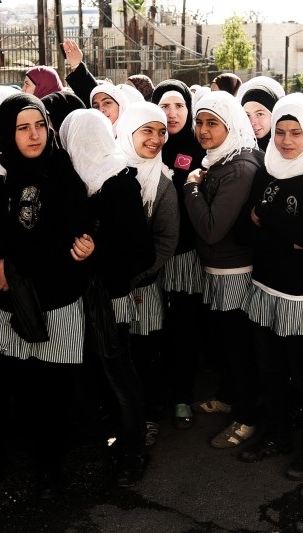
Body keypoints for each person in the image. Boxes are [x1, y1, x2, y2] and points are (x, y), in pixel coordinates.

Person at [0, 93, 91, 497]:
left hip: (52, 302)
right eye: (21, 127)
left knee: (49, 392)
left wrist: (10, 268)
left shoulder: (65, 177)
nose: (33, 135)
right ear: (8, 133)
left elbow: (66, 241)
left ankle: (49, 472)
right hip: (3, 305)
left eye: (39, 125)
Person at [236, 93, 303, 479]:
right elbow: (247, 233)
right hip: (264, 286)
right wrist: (285, 236)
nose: (286, 141)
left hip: (302, 293)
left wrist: (264, 213)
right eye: (280, 132)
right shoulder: (266, 168)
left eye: (296, 132)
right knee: (270, 369)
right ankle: (278, 435)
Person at [61, 108, 155, 487]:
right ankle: (103, 437)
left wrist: (94, 252)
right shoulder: (75, 180)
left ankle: (134, 449)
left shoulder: (118, 182)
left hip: (110, 296)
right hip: (82, 295)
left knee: (119, 372)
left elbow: (142, 253)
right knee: (93, 369)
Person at [184, 91, 260, 449]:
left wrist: (191, 188)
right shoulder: (220, 160)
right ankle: (230, 399)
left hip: (235, 273)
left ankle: (246, 419)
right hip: (219, 270)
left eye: (212, 123)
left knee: (239, 349)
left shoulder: (240, 166)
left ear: (231, 126)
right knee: (228, 346)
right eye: (199, 122)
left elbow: (213, 228)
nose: (202, 130)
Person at [114, 102, 180, 448]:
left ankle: (149, 417)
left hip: (143, 286)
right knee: (118, 354)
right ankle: (123, 419)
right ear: (129, 132)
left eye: (161, 131)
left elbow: (167, 240)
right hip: (112, 287)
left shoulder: (163, 182)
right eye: (147, 131)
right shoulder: (109, 171)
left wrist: (138, 274)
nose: (156, 139)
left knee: (145, 353)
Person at [151, 80, 209, 430]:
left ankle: (182, 396)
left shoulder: (197, 149)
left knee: (184, 328)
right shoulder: (146, 143)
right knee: (153, 330)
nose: (171, 114)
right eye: (164, 107)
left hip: (186, 255)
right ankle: (154, 396)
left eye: (179, 107)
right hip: (152, 256)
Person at [237, 76, 285, 151]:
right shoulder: (238, 150)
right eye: (247, 115)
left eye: (259, 114)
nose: (252, 122)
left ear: (274, 114)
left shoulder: (288, 147)